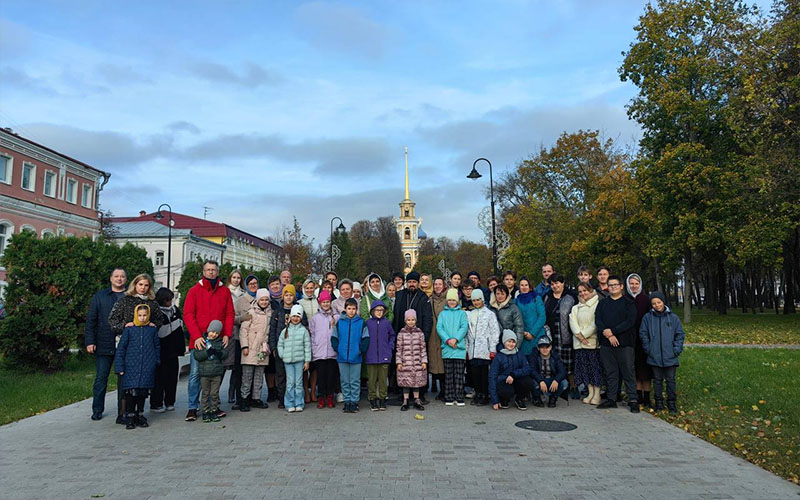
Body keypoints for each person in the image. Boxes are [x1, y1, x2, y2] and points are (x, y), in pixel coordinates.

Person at [107, 273, 168, 423]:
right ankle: (123, 413)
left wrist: (154, 325)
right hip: (127, 343)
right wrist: (124, 326)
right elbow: (112, 319)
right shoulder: (125, 301)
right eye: (140, 284)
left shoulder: (152, 303)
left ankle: (138, 413)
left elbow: (159, 319)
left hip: (145, 346)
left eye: (146, 285)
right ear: (135, 285)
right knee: (125, 383)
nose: (143, 288)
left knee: (141, 384)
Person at [182, 261, 234, 422]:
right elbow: (188, 315)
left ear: (217, 271)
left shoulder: (224, 291)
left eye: (214, 270)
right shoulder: (194, 291)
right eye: (208, 270)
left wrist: (227, 334)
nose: (211, 272)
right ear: (203, 271)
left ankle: (213, 406)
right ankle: (192, 407)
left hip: (218, 338)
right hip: (200, 339)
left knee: (216, 372)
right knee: (196, 374)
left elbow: (229, 314)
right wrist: (197, 336)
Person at [86, 267, 127, 422]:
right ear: (111, 278)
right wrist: (90, 341)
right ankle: (97, 409)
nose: (119, 279)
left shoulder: (129, 296)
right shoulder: (100, 296)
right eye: (116, 276)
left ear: (126, 279)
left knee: (123, 380)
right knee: (101, 379)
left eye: (122, 276)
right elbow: (91, 320)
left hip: (123, 344)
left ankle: (122, 412)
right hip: (103, 343)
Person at [594, 275, 639, 412]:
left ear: (621, 286)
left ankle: (633, 399)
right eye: (610, 285)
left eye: (615, 285)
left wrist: (612, 332)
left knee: (628, 372)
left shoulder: (629, 302)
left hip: (624, 343)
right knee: (611, 372)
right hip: (606, 344)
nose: (613, 287)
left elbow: (630, 321)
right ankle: (611, 398)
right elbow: (598, 319)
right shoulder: (603, 303)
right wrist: (607, 333)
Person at [114, 304, 160, 429]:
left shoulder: (152, 330)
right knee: (130, 392)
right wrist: (120, 367)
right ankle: (130, 415)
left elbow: (157, 346)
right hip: (131, 367)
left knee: (142, 392)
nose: (142, 318)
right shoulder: (129, 330)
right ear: (135, 315)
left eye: (145, 315)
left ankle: (140, 414)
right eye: (140, 315)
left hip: (147, 366)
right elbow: (121, 349)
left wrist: (156, 361)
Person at [639, 292, 685, 414]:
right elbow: (643, 334)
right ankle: (659, 403)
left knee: (670, 380)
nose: (657, 305)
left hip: (670, 356)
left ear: (663, 302)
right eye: (654, 303)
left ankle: (672, 404)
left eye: (659, 302)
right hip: (654, 356)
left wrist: (676, 349)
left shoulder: (673, 317)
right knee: (657, 381)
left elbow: (679, 335)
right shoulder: (647, 318)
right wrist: (648, 349)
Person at [391, 271, 433, 402]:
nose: (412, 284)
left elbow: (427, 318)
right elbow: (396, 316)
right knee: (402, 366)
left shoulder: (423, 297)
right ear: (406, 283)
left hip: (417, 338)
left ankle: (420, 394)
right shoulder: (400, 295)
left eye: (414, 282)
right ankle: (402, 393)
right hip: (402, 338)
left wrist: (424, 337)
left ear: (418, 283)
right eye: (409, 282)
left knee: (419, 368)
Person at [269, 284, 307, 409]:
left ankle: (298, 400)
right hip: (282, 350)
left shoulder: (299, 309)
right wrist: (274, 348)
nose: (289, 297)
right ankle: (282, 399)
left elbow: (305, 327)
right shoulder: (277, 311)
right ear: (283, 296)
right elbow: (273, 330)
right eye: (286, 295)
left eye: (291, 295)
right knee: (281, 375)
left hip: (297, 351)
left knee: (297, 379)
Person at [543, 274, 579, 399]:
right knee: (555, 362)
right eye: (552, 284)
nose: (555, 286)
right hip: (552, 335)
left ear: (563, 283)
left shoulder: (571, 296)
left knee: (569, 364)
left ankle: (573, 387)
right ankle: (558, 387)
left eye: (557, 283)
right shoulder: (547, 296)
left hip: (567, 334)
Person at [331, 298, 369, 413]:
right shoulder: (340, 322)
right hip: (342, 357)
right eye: (349, 308)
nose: (351, 311)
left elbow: (366, 338)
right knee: (345, 380)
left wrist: (360, 350)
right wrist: (338, 349)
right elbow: (334, 337)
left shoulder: (361, 323)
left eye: (353, 309)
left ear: (356, 310)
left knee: (354, 381)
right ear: (345, 309)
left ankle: (354, 402)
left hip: (356, 357)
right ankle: (347, 401)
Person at [151, 288, 185, 413]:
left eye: (171, 299)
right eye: (167, 300)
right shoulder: (155, 311)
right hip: (161, 350)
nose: (170, 302)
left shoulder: (175, 310)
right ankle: (156, 403)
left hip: (174, 350)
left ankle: (170, 402)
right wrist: (175, 324)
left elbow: (180, 326)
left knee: (172, 378)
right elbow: (160, 331)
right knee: (159, 378)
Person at [569, 282, 603, 405]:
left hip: (591, 342)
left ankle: (597, 394)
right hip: (579, 343)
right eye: (580, 291)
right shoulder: (575, 307)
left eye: (585, 291)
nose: (583, 294)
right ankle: (590, 392)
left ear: (591, 291)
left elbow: (595, 323)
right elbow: (572, 322)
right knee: (585, 369)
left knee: (595, 369)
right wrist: (579, 336)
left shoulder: (597, 305)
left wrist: (584, 335)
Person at [466, 289, 501, 406]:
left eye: (478, 300)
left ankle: (485, 395)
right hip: (473, 349)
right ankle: (478, 393)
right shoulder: (470, 314)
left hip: (485, 349)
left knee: (484, 374)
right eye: (474, 300)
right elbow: (468, 333)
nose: (476, 302)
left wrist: (492, 349)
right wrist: (467, 348)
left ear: (482, 300)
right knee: (474, 373)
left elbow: (494, 332)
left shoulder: (489, 314)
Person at [239, 288, 272, 412]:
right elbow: (243, 330)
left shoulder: (270, 313)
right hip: (250, 348)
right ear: (257, 300)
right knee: (247, 377)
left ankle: (256, 398)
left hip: (262, 349)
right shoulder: (251, 312)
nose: (264, 302)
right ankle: (244, 398)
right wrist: (245, 346)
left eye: (266, 300)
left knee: (259, 376)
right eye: (261, 299)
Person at [192, 319, 229, 422]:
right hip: (204, 373)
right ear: (208, 330)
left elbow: (225, 353)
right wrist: (207, 353)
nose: (214, 334)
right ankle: (205, 411)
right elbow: (197, 355)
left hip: (216, 373)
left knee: (214, 393)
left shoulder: (219, 342)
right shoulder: (202, 341)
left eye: (217, 333)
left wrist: (219, 353)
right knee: (205, 393)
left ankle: (214, 410)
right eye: (213, 332)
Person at [437, 288, 468, 406]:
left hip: (458, 348)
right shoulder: (443, 314)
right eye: (449, 300)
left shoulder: (462, 313)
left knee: (459, 374)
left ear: (457, 301)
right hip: (447, 348)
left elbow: (464, 327)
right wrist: (448, 340)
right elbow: (440, 328)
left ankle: (459, 396)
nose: (451, 302)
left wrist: (456, 339)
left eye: (453, 300)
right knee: (449, 375)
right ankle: (449, 396)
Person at [278, 304, 312, 413]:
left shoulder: (304, 331)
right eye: (293, 316)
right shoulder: (285, 331)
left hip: (299, 361)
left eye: (298, 316)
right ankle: (289, 403)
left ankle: (299, 403)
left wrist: (307, 361)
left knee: (298, 383)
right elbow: (280, 344)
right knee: (290, 382)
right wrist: (282, 354)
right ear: (290, 317)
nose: (295, 318)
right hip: (288, 361)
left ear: (301, 318)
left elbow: (307, 346)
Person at [231, 275, 258, 409]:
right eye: (251, 284)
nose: (253, 285)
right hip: (240, 340)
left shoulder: (261, 299)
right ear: (246, 285)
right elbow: (232, 318)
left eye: (255, 283)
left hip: (256, 341)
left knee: (254, 369)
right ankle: (240, 399)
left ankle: (253, 397)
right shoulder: (240, 301)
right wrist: (242, 318)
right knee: (241, 371)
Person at [363, 299, 395, 411]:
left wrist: (390, 347)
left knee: (382, 379)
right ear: (372, 311)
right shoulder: (368, 323)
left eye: (381, 310)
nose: (379, 312)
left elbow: (392, 335)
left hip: (384, 355)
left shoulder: (386, 323)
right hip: (371, 356)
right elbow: (364, 337)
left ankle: (382, 399)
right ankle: (372, 399)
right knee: (371, 380)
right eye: (377, 310)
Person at [490, 330, 533, 411]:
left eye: (513, 342)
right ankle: (503, 399)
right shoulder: (498, 356)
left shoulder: (519, 353)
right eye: (509, 341)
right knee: (506, 391)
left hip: (515, 379)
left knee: (528, 382)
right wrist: (494, 400)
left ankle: (519, 399)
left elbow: (527, 368)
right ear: (504, 342)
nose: (511, 344)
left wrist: (513, 374)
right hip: (503, 381)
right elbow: (492, 377)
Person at [309, 290, 338, 409]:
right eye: (323, 302)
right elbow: (311, 334)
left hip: (332, 352)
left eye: (328, 302)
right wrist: (313, 350)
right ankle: (321, 396)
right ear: (320, 303)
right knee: (321, 377)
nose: (326, 304)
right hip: (319, 352)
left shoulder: (336, 317)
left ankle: (330, 396)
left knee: (331, 376)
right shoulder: (315, 318)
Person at [627, 273, 652, 408]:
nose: (634, 286)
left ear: (640, 284)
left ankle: (647, 396)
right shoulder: (626, 298)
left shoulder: (646, 299)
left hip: (644, 338)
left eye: (636, 283)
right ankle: (638, 396)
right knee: (634, 369)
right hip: (630, 339)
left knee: (646, 370)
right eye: (631, 283)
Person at [395, 309, 427, 411]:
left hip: (417, 362)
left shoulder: (420, 333)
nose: (411, 322)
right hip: (406, 362)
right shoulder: (401, 334)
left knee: (416, 382)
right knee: (406, 381)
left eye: (413, 319)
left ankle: (417, 399)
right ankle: (406, 400)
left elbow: (423, 348)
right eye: (408, 320)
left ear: (416, 320)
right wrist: (399, 362)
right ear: (405, 321)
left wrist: (424, 361)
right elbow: (399, 349)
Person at [528, 336, 568, 408]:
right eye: (542, 347)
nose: (545, 349)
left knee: (564, 383)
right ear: (538, 348)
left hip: (551, 379)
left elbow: (562, 371)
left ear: (550, 347)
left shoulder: (555, 356)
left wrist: (556, 380)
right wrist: (540, 380)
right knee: (532, 382)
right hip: (539, 379)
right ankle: (537, 398)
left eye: (547, 347)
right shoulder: (534, 356)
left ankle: (553, 397)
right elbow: (532, 370)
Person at [225, 270, 245, 404]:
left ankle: (232, 392)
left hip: (240, 333)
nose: (236, 280)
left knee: (236, 366)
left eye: (238, 278)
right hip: (228, 331)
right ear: (230, 278)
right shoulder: (225, 292)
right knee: (223, 364)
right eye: (234, 277)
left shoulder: (244, 293)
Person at [515, 276, 547, 356]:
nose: (524, 287)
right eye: (522, 285)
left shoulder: (537, 298)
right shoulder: (516, 301)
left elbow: (542, 316)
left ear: (530, 286)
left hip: (537, 334)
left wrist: (532, 333)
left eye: (526, 285)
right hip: (524, 336)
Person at [427, 277, 447, 400]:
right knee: (435, 362)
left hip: (445, 335)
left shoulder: (448, 300)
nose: (438, 286)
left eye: (440, 284)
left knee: (444, 363)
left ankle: (445, 390)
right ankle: (439, 388)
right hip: (433, 335)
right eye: (436, 284)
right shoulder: (430, 300)